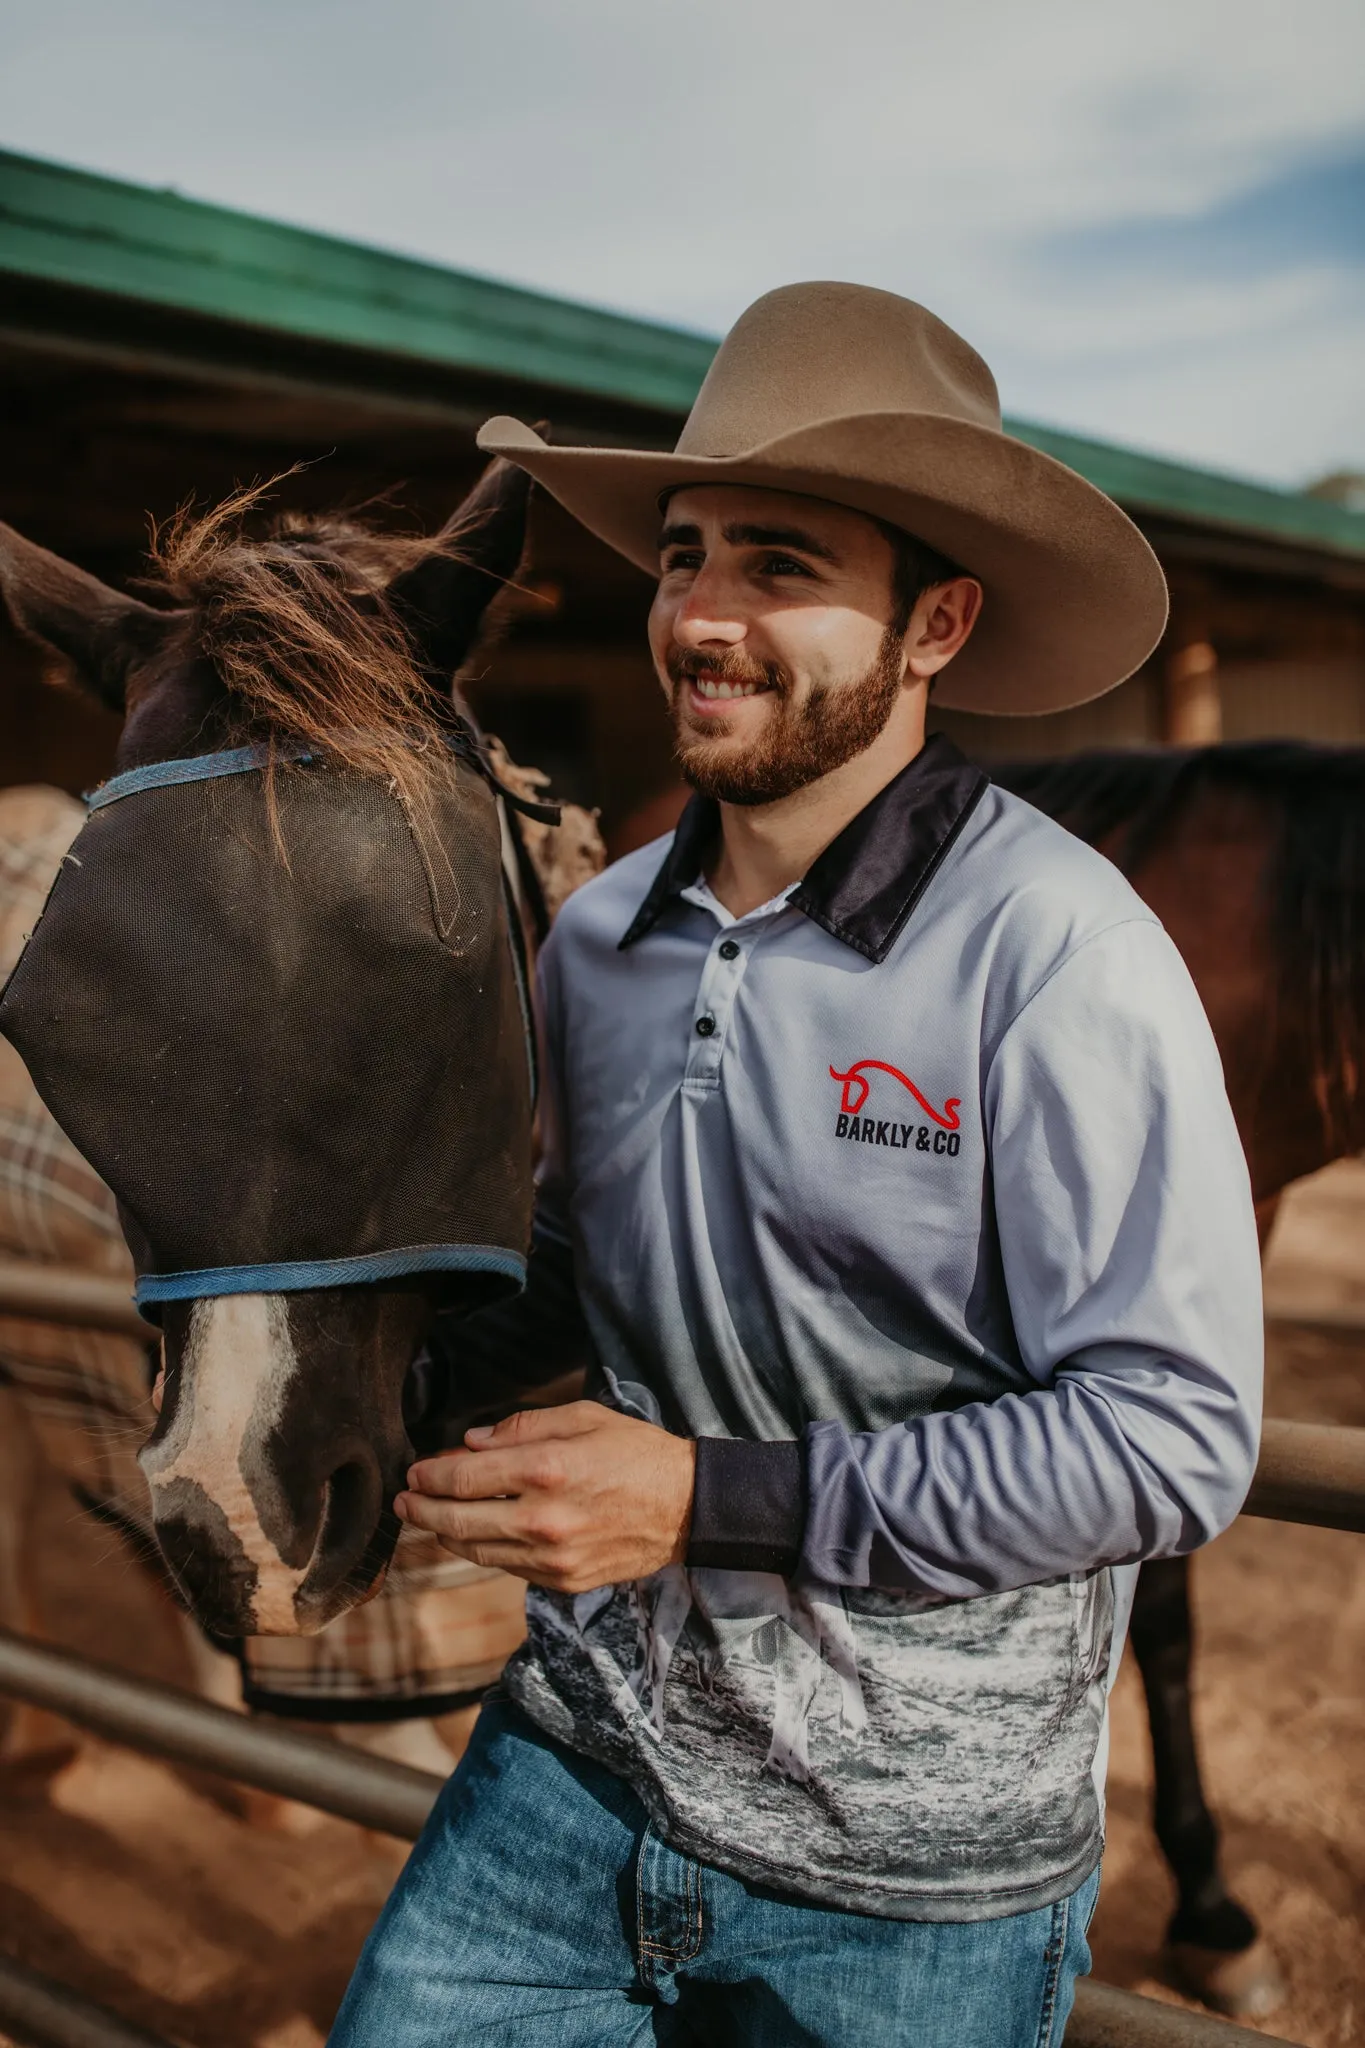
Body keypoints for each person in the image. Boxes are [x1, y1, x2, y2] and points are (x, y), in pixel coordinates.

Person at [330, 283, 1262, 2047]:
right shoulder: (601, 940)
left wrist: (701, 1499)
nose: (703, 616)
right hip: (571, 1779)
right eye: (684, 557)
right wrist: (339, 1413)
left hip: (910, 1882)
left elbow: (1173, 1436)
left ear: (939, 624)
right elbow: (567, 1268)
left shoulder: (1058, 952)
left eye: (780, 563)